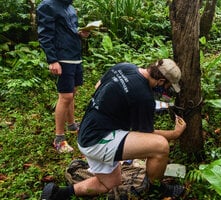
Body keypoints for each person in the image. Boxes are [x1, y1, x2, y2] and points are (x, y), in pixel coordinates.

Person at [41, 59, 187, 199]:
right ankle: (156, 189)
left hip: (87, 132)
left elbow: (98, 86)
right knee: (160, 146)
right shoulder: (144, 97)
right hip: (99, 141)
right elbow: (146, 134)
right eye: (168, 87)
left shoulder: (125, 67)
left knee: (111, 183)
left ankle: (59, 194)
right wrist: (175, 133)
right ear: (161, 81)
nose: (166, 90)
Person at [37, 0, 90, 153]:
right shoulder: (48, 5)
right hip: (62, 57)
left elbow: (68, 31)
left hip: (75, 55)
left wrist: (81, 34)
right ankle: (59, 138)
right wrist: (52, 60)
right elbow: (45, 34)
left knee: (72, 93)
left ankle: (72, 125)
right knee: (65, 96)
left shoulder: (70, 6)